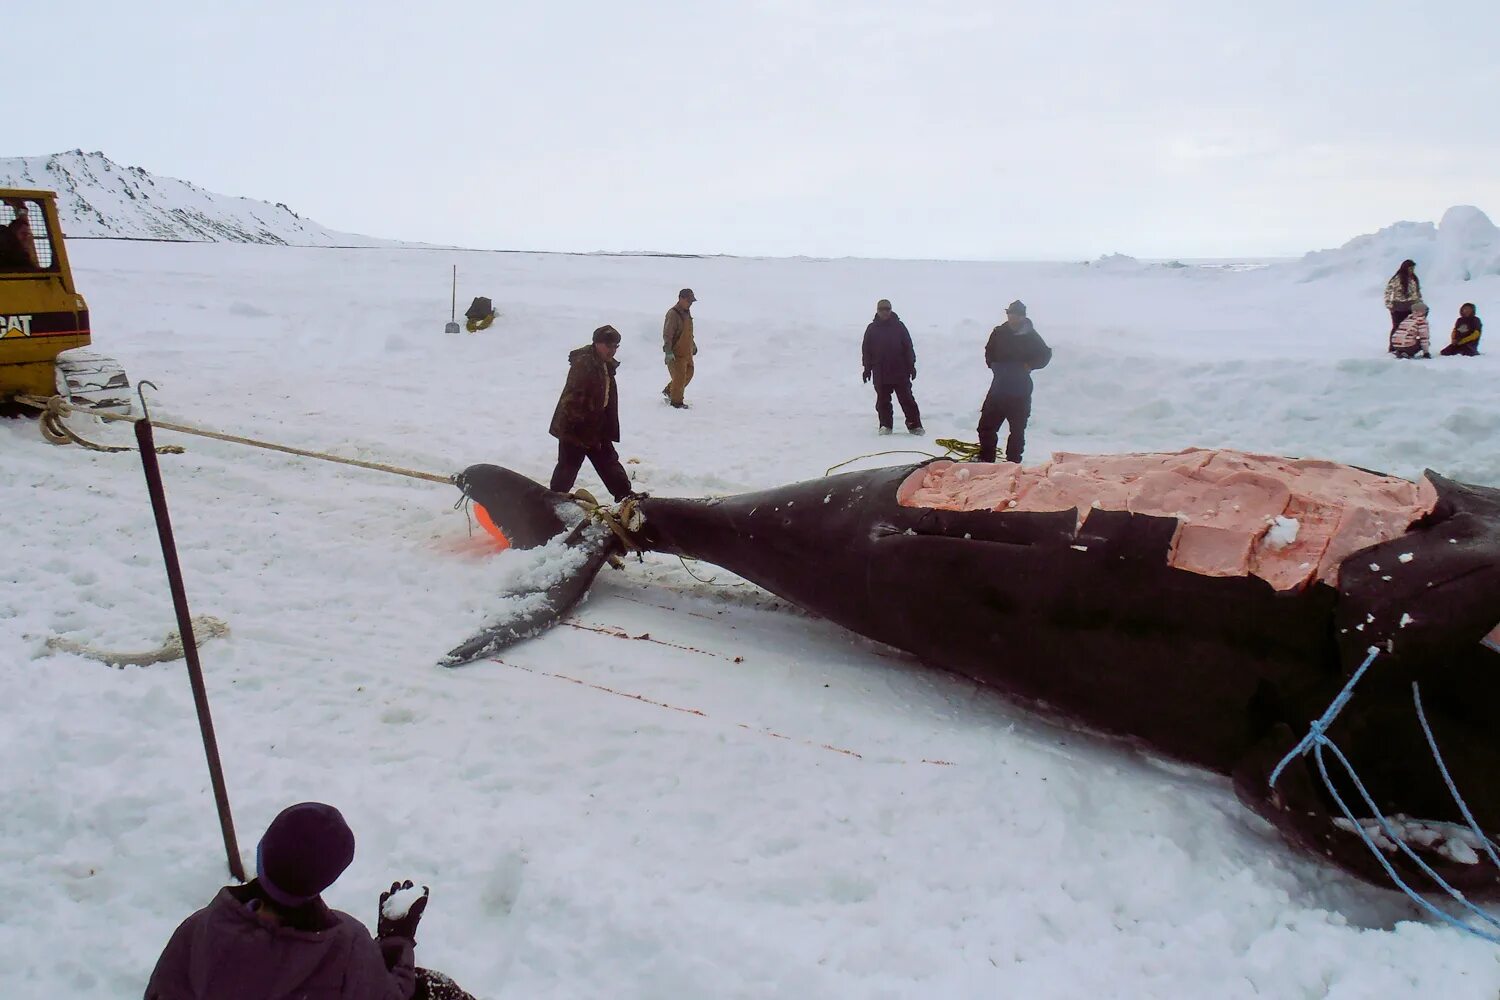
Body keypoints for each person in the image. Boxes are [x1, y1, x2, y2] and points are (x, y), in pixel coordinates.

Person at [144, 802, 475, 1000]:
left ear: (262, 854)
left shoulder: (198, 929)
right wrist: (395, 942)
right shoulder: (346, 945)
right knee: (432, 988)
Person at [549, 324, 634, 501]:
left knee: (609, 463)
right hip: (576, 428)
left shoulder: (604, 364)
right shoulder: (584, 364)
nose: (612, 350)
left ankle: (626, 498)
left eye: (615, 347)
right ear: (596, 343)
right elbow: (573, 400)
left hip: (597, 425)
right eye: (608, 346)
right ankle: (553, 503)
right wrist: (580, 427)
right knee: (568, 468)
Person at [976, 300, 1052, 464]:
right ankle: (986, 459)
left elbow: (1045, 355)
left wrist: (1030, 365)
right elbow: (989, 350)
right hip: (999, 388)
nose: (1012, 318)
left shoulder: (1031, 336)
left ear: (1023, 317)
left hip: (1020, 391)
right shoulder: (999, 332)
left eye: (1016, 315)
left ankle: (1012, 462)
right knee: (985, 427)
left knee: (1017, 431)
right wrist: (993, 365)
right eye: (1010, 314)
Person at [861, 298, 923, 435]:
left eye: (887, 309)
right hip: (880, 372)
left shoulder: (899, 326)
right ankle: (885, 426)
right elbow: (866, 350)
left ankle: (915, 425)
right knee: (882, 401)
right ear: (877, 311)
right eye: (881, 309)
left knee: (907, 399)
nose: (884, 312)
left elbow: (908, 347)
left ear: (891, 310)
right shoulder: (871, 329)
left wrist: (911, 365)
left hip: (900, 371)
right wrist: (867, 369)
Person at [662, 288, 697, 409]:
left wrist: (692, 344)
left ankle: (669, 390)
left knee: (689, 373)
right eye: (688, 301)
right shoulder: (673, 314)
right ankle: (677, 403)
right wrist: (668, 351)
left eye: (692, 301)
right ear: (681, 299)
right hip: (676, 353)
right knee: (680, 377)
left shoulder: (686, 313)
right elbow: (667, 334)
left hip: (686, 352)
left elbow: (687, 332)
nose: (690, 304)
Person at [1384, 259, 1422, 350]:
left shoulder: (1414, 279)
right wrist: (1389, 305)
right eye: (1410, 268)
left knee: (1409, 327)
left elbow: (1417, 292)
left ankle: (1406, 345)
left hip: (1411, 306)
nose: (1412, 270)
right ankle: (1393, 346)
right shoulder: (1397, 278)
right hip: (1398, 306)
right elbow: (1388, 292)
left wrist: (1419, 303)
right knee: (1397, 326)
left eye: (1413, 268)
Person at [0, 198, 40, 271]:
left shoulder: (22, 253)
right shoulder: (15, 256)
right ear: (12, 235)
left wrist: (20, 206)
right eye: (23, 234)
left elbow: (23, 217)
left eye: (28, 235)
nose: (26, 238)